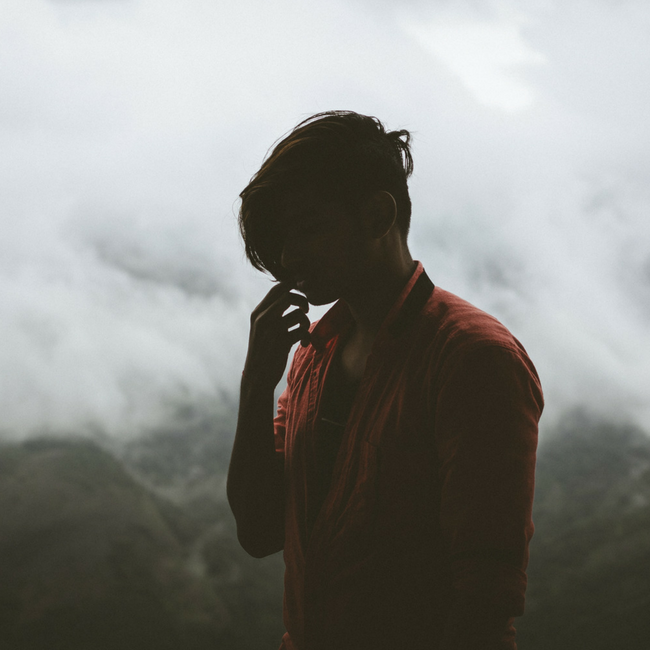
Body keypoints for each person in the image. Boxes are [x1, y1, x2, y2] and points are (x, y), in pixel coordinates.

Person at [227, 111, 543, 650]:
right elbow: (259, 531)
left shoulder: (473, 359)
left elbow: (485, 598)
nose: (288, 258)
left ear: (378, 215)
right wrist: (257, 383)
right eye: (283, 238)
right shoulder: (312, 357)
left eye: (309, 229)